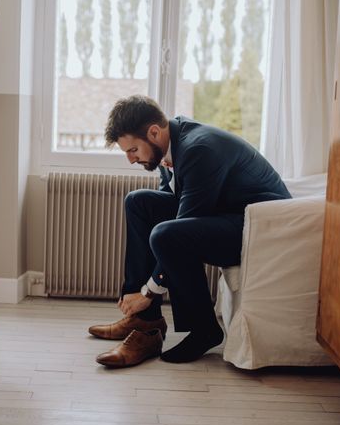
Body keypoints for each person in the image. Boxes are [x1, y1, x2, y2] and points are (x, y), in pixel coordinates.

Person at [88, 95, 292, 368]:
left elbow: (177, 229)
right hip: (227, 213)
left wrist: (148, 292)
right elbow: (169, 208)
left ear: (153, 132)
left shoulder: (199, 148)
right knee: (138, 203)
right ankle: (145, 322)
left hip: (260, 228)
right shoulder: (169, 145)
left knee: (166, 235)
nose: (130, 159)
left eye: (133, 150)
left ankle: (204, 329)